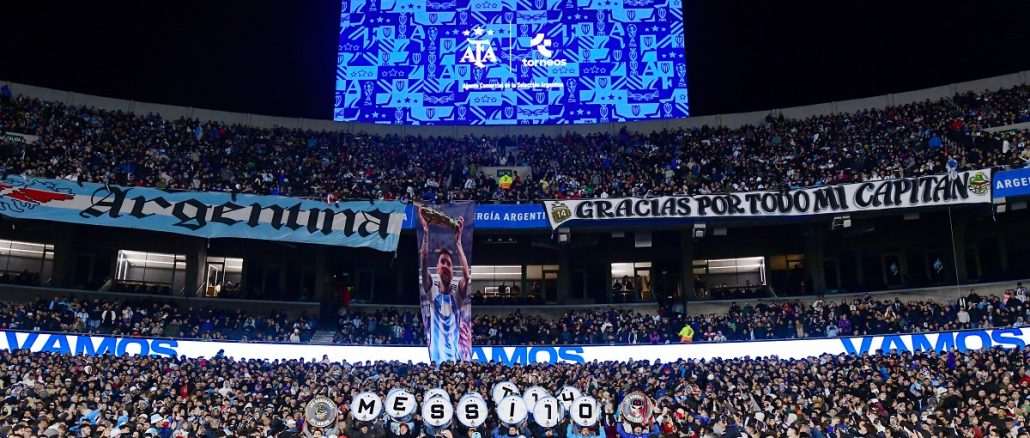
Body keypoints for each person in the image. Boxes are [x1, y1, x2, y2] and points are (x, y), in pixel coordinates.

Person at [419, 207, 472, 362]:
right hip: (436, 358)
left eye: (448, 263)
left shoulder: (457, 294)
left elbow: (467, 276)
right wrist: (426, 232)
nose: (445, 265)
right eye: (442, 262)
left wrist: (458, 243)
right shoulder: (431, 289)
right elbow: (423, 262)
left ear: (452, 270)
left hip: (455, 358)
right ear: (437, 268)